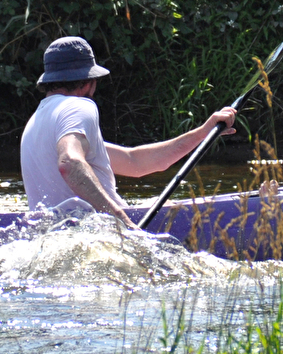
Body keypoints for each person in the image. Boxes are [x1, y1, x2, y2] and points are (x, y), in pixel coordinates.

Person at [20, 36, 237, 229]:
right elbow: (69, 162)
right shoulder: (79, 106)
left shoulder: (36, 122)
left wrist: (203, 133)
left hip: (52, 235)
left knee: (154, 202)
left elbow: (135, 161)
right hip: (99, 233)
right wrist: (122, 221)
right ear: (88, 83)